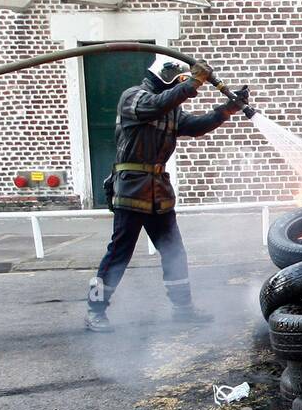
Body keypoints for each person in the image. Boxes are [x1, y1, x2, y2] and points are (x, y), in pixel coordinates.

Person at [84, 54, 248, 332]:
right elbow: (156, 105)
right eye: (182, 80)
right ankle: (94, 310)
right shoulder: (134, 97)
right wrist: (195, 80)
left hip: (159, 192)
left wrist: (226, 110)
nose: (187, 85)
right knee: (118, 254)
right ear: (167, 76)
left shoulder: (171, 108)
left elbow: (195, 126)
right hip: (131, 189)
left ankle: (182, 309)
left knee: (174, 253)